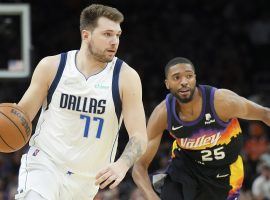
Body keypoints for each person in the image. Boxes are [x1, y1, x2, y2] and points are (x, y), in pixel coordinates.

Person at [14, 4, 147, 200]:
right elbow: (20, 118)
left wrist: (122, 164)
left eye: (117, 35)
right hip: (44, 163)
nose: (114, 42)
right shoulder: (52, 66)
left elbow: (139, 136)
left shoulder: (125, 77)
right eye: (107, 34)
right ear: (86, 35)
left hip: (86, 180)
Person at [132, 57, 270, 200]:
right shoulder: (163, 114)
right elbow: (139, 165)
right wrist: (150, 196)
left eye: (189, 76)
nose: (184, 81)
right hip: (185, 169)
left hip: (225, 172)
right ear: (167, 84)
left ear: (195, 78)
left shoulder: (222, 102)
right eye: (176, 77)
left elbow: (265, 114)